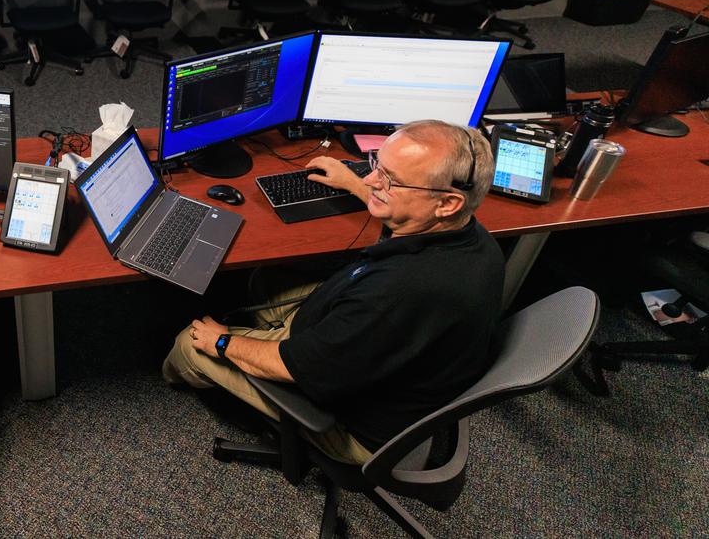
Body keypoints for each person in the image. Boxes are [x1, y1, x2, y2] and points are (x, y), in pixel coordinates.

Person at [163, 120, 504, 464]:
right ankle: (258, 339)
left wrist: (222, 342)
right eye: (376, 165)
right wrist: (353, 183)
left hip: (351, 423)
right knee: (268, 279)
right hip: (366, 348)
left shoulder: (399, 293)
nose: (373, 181)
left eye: (390, 180)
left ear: (447, 203)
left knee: (189, 344)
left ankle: (180, 380)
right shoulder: (471, 237)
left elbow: (294, 366)